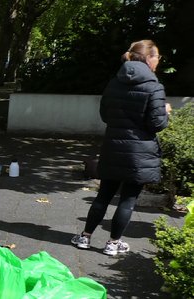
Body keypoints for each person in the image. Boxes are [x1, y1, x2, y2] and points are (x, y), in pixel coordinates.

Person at [71, 40, 172, 256]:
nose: (158, 62)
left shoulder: (114, 83)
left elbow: (105, 116)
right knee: (128, 199)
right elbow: (157, 124)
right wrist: (165, 112)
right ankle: (113, 243)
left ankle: (85, 237)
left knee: (104, 195)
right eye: (158, 57)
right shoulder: (154, 87)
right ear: (148, 58)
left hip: (113, 146)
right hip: (139, 153)